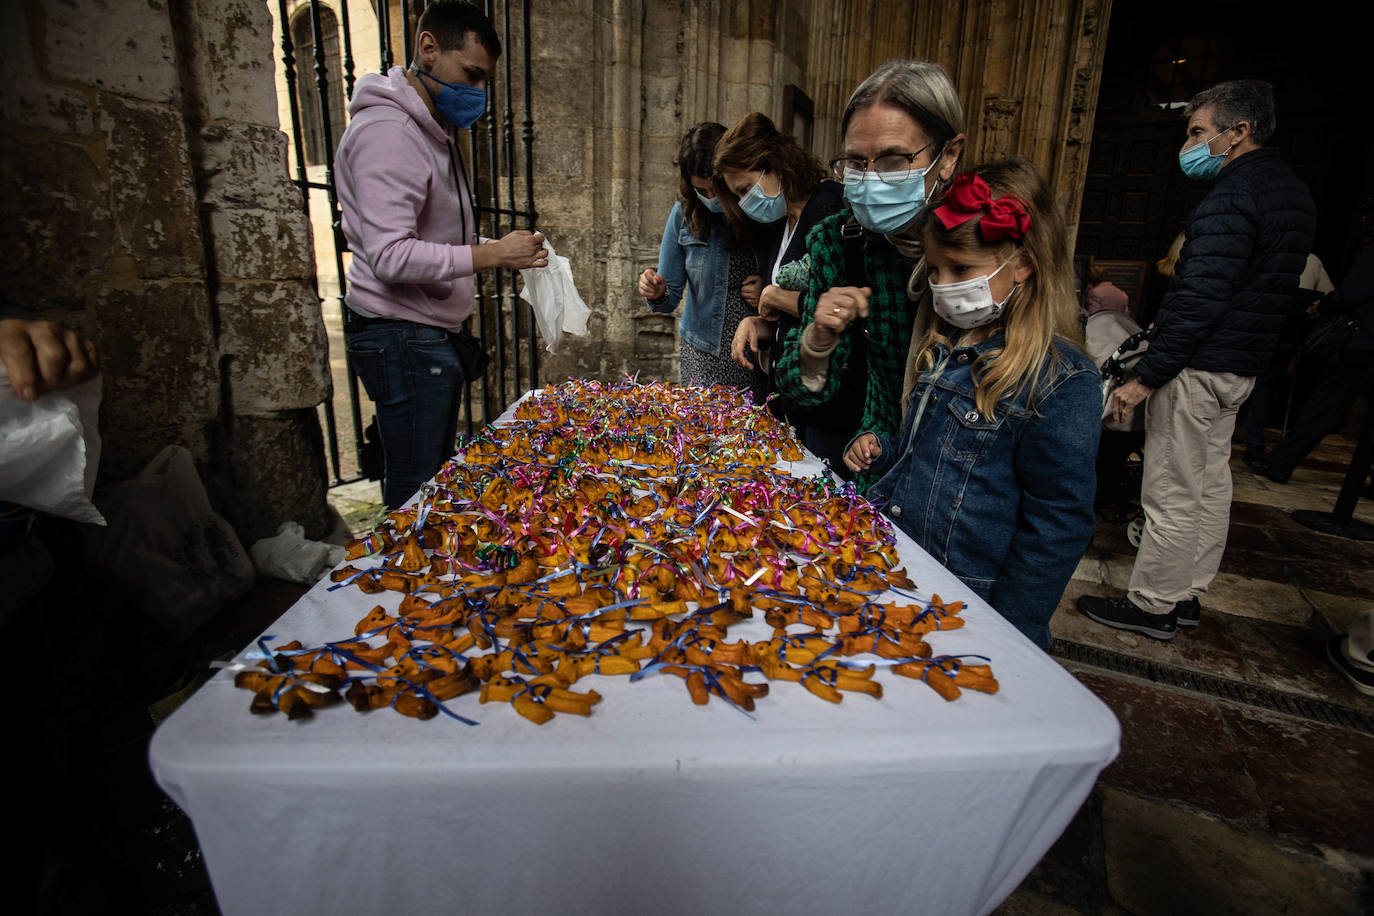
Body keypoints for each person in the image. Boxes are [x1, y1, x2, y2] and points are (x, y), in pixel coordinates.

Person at [1078, 80, 1317, 639]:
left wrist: (1147, 376)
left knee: (1170, 490)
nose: (1189, 145)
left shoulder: (1231, 198)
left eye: (1197, 132)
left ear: (1239, 132)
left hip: (1198, 366)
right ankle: (1187, 594)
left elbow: (1200, 297)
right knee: (1211, 485)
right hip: (1243, 365)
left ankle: (1152, 604)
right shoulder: (1292, 194)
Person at [844, 161, 1101, 649]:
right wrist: (886, 449)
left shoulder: (1062, 380)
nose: (941, 285)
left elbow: (1058, 524)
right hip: (905, 574)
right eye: (936, 270)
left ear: (1022, 262)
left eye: (961, 270)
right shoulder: (946, 349)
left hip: (971, 605)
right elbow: (931, 454)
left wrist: (1010, 635)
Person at [336, 1, 547, 509]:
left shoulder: (430, 129)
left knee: (428, 478)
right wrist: (491, 253)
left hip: (423, 333)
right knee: (414, 492)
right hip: (403, 335)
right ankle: (401, 579)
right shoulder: (390, 133)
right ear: (428, 49)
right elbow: (390, 255)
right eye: (469, 75)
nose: (476, 93)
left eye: (483, 83)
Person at [770, 60, 966, 479]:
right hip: (869, 470)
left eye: (894, 160)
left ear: (948, 155)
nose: (871, 179)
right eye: (857, 163)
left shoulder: (983, 244)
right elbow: (800, 395)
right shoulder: (837, 242)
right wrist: (817, 341)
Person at [708, 113, 845, 462]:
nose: (744, 201)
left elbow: (840, 307)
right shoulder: (781, 224)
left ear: (773, 165)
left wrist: (776, 296)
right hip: (788, 390)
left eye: (745, 189)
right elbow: (793, 317)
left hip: (826, 399)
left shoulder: (827, 206)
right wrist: (758, 323)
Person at [638, 123, 761, 391]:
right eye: (701, 191)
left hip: (753, 351)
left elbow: (784, 270)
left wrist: (768, 289)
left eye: (715, 189)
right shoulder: (682, 215)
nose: (710, 197)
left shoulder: (757, 208)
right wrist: (656, 291)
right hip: (702, 354)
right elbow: (668, 297)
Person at [1249, 243, 1374, 483]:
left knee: (1325, 406)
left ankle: (1279, 463)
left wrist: (1324, 306)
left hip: (1365, 343)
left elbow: (1353, 292)